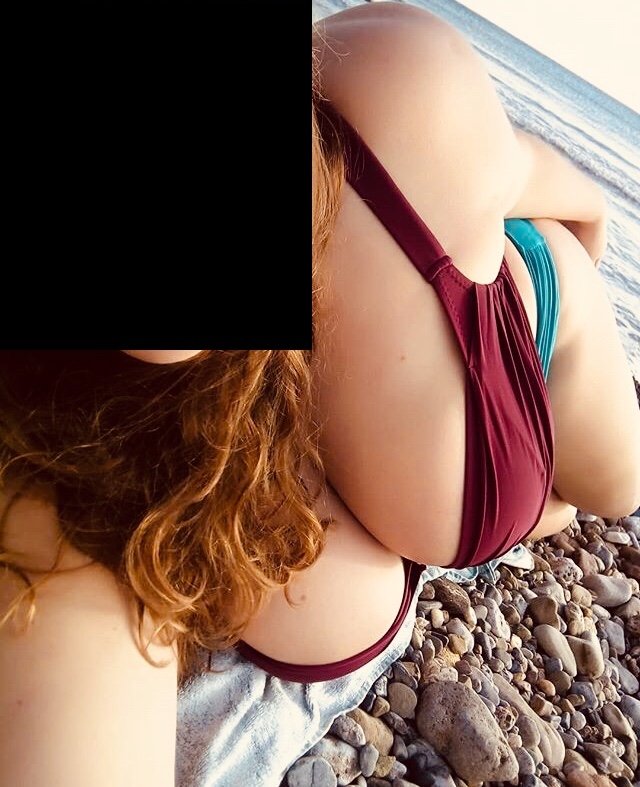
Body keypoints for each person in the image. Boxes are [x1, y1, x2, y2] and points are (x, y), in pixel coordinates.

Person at [2, 3, 639, 786]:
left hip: (533, 324)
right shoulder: (82, 458)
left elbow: (569, 198)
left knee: (616, 491)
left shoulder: (389, 76)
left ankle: (544, 505)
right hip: (448, 446)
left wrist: (522, 231)